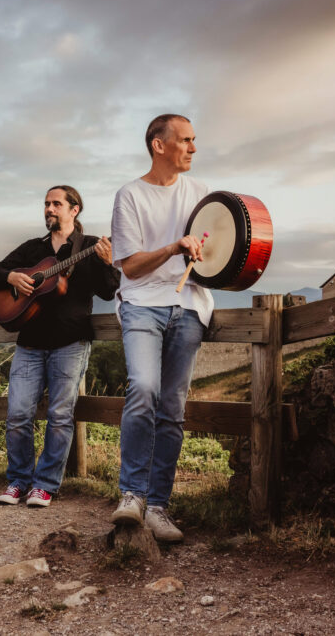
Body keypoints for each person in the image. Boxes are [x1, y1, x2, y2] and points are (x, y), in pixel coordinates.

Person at [108, 114, 212, 542]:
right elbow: (130, 267)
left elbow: (219, 248)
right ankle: (131, 494)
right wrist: (173, 246)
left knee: (172, 407)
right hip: (142, 305)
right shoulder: (130, 195)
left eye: (193, 141)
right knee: (144, 389)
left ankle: (157, 507)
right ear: (159, 145)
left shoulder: (204, 194)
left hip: (189, 306)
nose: (192, 148)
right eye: (185, 141)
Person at [0, 186, 119, 508]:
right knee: (17, 414)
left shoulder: (90, 247)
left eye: (56, 204)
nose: (49, 209)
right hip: (29, 344)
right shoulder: (33, 249)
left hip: (70, 343)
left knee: (60, 416)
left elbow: (109, 291)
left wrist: (108, 263)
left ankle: (44, 485)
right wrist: (13, 276)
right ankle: (18, 480)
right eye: (46, 204)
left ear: (74, 210)